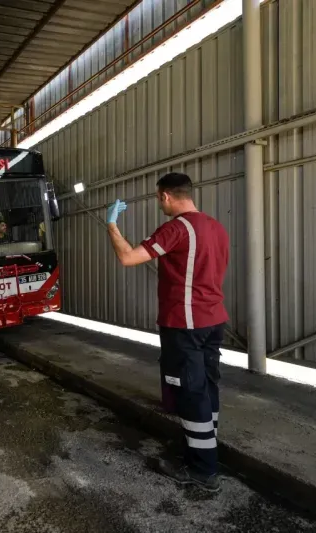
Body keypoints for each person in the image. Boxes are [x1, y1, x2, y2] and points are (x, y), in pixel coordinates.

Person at [106, 172, 229, 492]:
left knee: (190, 391)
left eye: (157, 198)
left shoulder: (176, 228)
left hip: (185, 323)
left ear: (165, 196)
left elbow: (127, 257)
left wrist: (111, 225)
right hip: (214, 319)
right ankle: (206, 450)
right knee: (208, 385)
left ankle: (203, 471)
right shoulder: (216, 227)